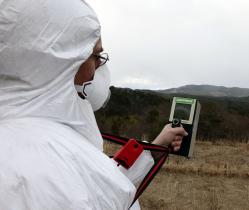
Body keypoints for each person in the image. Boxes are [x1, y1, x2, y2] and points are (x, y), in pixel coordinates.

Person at [0, 0, 186, 209]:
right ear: (58, 61)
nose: (98, 66)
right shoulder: (46, 170)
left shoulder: (40, 142)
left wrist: (155, 146)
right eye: (95, 56)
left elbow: (98, 178)